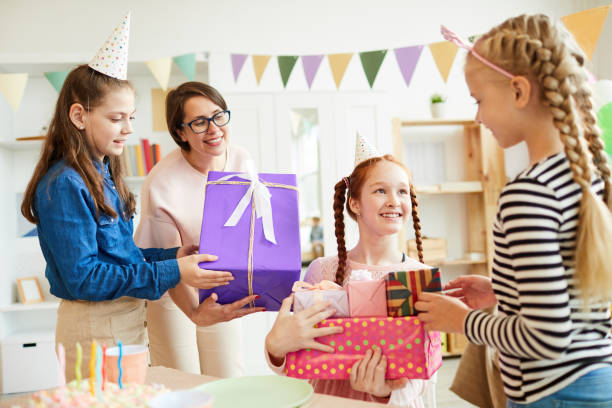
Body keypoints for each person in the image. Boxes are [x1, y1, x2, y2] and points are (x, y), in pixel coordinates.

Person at [415, 15, 612, 407]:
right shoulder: (585, 178)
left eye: (479, 100)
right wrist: (503, 292)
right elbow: (574, 301)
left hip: (555, 394)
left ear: (519, 91)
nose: (477, 117)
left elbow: (547, 337)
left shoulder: (529, 192)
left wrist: (461, 322)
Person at [19, 63, 232, 382]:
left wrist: (174, 256)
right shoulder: (65, 183)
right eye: (116, 118)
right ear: (79, 116)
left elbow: (120, 258)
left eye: (130, 118)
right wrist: (175, 271)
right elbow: (84, 277)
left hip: (124, 323)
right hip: (94, 328)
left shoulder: (103, 175)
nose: (128, 128)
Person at [265, 135, 436, 407]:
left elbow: (425, 375)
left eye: (402, 191)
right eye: (381, 190)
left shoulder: (419, 276)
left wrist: (383, 392)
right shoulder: (322, 271)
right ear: (355, 204)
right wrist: (275, 349)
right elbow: (297, 364)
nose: (394, 200)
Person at [134, 81, 263, 377]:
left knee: (227, 372)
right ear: (180, 132)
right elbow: (168, 262)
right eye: (200, 122)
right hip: (171, 285)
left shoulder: (241, 159)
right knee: (180, 374)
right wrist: (193, 313)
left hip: (218, 280)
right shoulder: (162, 182)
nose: (214, 129)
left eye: (218, 116)